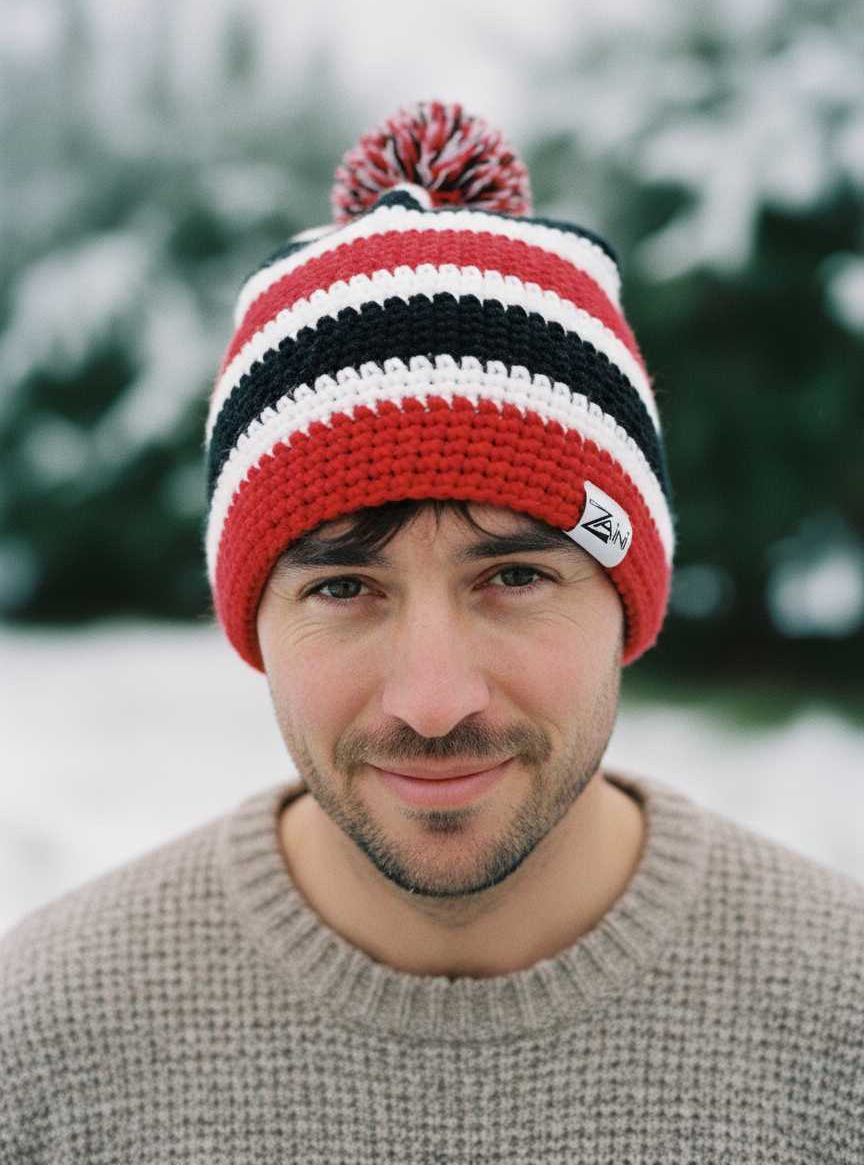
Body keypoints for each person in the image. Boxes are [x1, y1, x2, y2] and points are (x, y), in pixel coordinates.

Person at [1, 102, 862, 1163]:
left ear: (628, 591)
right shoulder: (40, 1044)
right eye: (344, 587)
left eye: (514, 574)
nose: (434, 698)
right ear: (254, 619)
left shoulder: (843, 1023)